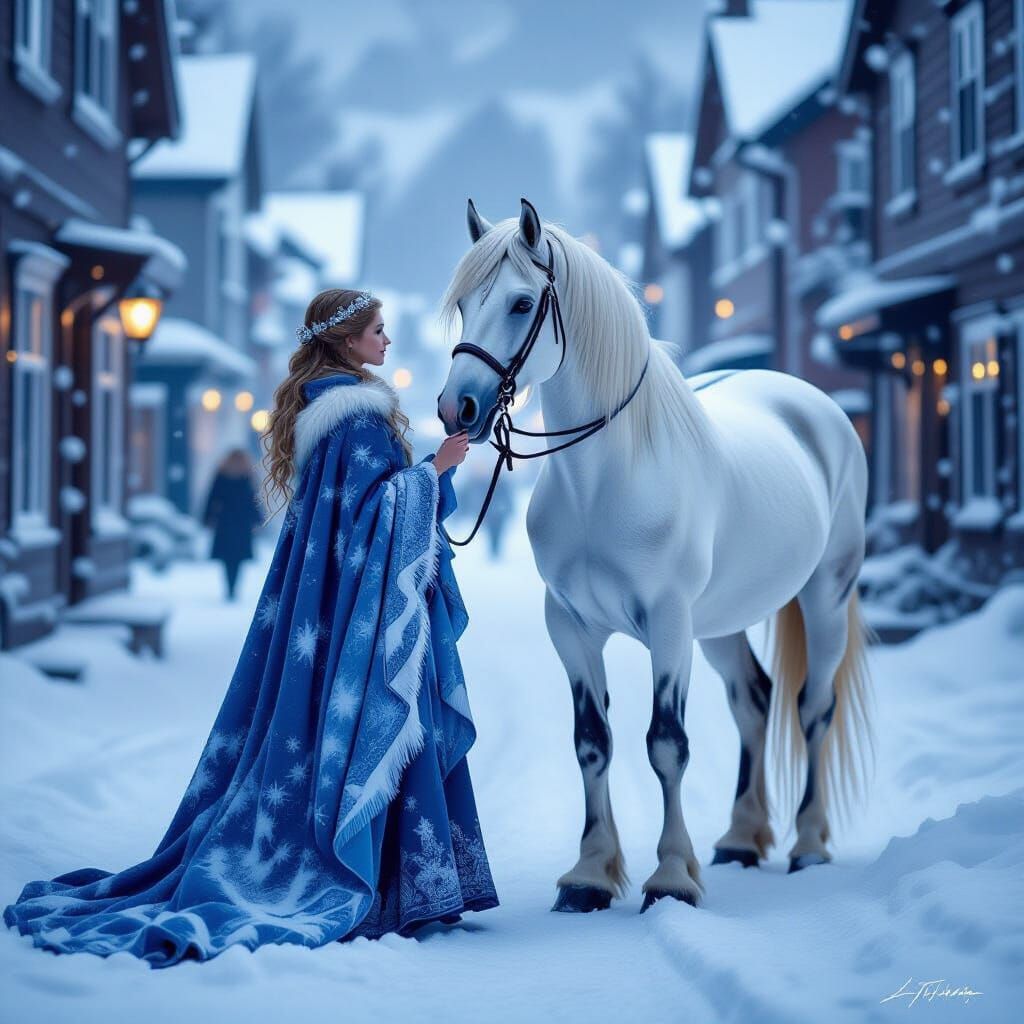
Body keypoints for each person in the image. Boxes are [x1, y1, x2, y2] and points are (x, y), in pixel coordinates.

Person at [4, 288, 498, 967]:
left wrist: (419, 479)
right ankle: (383, 880)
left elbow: (350, 523)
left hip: (335, 613)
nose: (387, 341)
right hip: (357, 617)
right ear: (349, 339)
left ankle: (397, 875)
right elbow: (369, 521)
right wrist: (433, 474)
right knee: (372, 724)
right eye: (378, 331)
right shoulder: (356, 420)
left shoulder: (329, 411)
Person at [202, 448, 262, 600]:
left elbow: (212, 498)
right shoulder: (246, 476)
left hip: (227, 522)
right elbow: (253, 501)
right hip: (239, 523)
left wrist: (207, 517)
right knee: (235, 559)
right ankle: (232, 588)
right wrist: (258, 519)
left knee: (229, 559)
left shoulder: (223, 475)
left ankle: (231, 588)